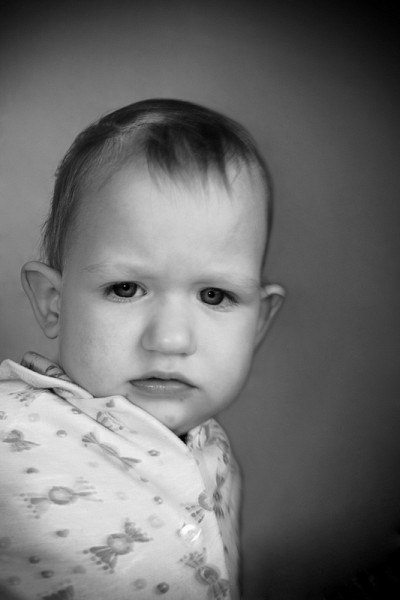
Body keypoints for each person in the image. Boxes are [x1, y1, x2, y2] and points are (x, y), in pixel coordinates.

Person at [0, 99, 285, 600]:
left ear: (258, 323)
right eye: (126, 289)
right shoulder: (9, 433)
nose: (170, 340)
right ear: (53, 302)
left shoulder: (213, 450)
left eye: (214, 295)